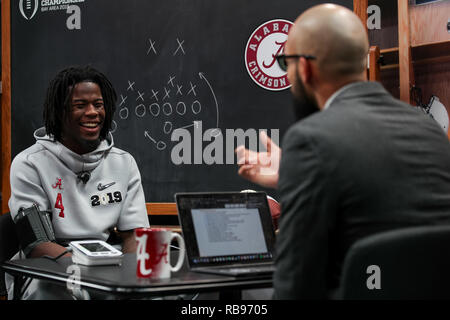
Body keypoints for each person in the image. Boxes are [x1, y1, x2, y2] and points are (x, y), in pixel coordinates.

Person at [236, 4, 450, 299]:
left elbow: (295, 283)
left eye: (287, 64)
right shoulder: (428, 129)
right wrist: (293, 174)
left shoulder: (312, 138)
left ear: (306, 68)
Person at [7, 65, 150, 299]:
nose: (93, 112)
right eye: (80, 105)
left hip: (108, 263)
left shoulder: (124, 163)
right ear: (59, 112)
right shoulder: (29, 163)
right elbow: (37, 244)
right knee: (49, 290)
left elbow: (133, 235)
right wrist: (87, 275)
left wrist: (129, 277)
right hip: (49, 268)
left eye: (98, 104)